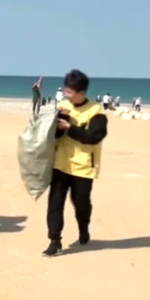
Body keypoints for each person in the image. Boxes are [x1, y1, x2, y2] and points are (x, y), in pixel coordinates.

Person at [44, 70, 108, 256]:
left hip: (83, 167)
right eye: (66, 91)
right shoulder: (63, 106)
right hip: (61, 163)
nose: (66, 95)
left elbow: (95, 137)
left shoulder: (96, 112)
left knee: (81, 204)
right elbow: (55, 135)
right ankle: (54, 241)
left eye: (70, 92)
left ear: (81, 92)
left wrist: (70, 128)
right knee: (55, 203)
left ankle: (83, 228)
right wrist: (56, 125)